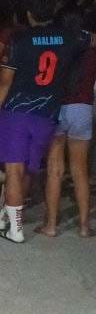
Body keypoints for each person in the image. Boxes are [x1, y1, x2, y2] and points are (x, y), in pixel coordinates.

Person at [0, 0, 91, 244]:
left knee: (13, 169)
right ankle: (4, 217)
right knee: (27, 171)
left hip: (17, 112)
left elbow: (5, 82)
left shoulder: (20, 40)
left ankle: (16, 230)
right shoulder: (70, 38)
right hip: (47, 115)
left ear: (29, 12)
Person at [36, 22, 96, 239]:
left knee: (55, 169)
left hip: (56, 106)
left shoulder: (56, 46)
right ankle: (83, 226)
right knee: (80, 170)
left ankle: (51, 225)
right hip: (82, 108)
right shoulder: (91, 52)